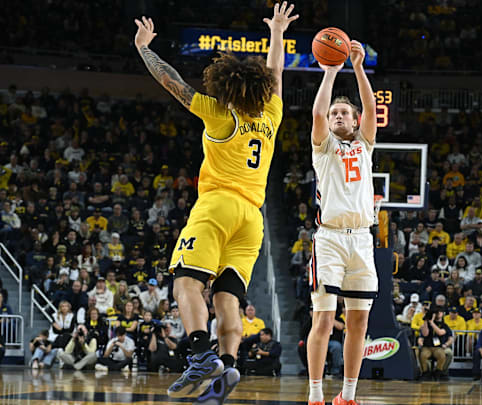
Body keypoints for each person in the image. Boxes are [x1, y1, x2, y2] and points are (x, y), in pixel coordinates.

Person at [133, 3, 297, 402]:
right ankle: (228, 362)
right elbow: (276, 75)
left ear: (226, 87)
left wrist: (143, 49)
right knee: (228, 298)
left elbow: (172, 82)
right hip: (251, 218)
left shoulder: (220, 113)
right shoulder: (271, 113)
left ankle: (201, 353)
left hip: (218, 205)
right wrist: (277, 33)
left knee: (186, 283)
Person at [306, 21, 378, 405]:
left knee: (359, 322)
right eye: (334, 113)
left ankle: (347, 395)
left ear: (354, 120)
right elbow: (317, 115)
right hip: (330, 239)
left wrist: (358, 67)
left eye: (343, 113)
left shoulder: (365, 144)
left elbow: (370, 108)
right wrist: (331, 72)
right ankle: (316, 395)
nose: (336, 116)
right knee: (322, 319)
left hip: (362, 239)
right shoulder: (324, 148)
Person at [417, 306, 454, 381]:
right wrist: (426, 320)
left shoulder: (444, 325)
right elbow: (425, 334)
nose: (437, 314)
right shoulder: (426, 324)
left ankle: (439, 371)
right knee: (423, 355)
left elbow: (440, 332)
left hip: (438, 347)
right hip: (427, 346)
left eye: (439, 312)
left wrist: (432, 323)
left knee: (441, 355)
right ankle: (426, 372)